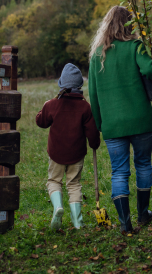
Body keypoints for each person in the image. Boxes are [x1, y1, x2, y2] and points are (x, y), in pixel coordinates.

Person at [88, 5, 152, 234]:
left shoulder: (97, 56)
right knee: (144, 165)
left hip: (113, 125)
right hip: (141, 121)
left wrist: (99, 125)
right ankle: (143, 214)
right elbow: (151, 70)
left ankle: (125, 223)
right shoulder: (136, 47)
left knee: (119, 171)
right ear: (129, 24)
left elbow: (93, 96)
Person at [35, 63, 101, 230]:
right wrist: (95, 143)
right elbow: (92, 131)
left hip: (56, 153)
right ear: (79, 85)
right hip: (76, 154)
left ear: (61, 85)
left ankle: (58, 207)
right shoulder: (85, 107)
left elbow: (41, 122)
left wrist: (42, 109)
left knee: (54, 181)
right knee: (74, 184)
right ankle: (77, 221)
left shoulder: (51, 105)